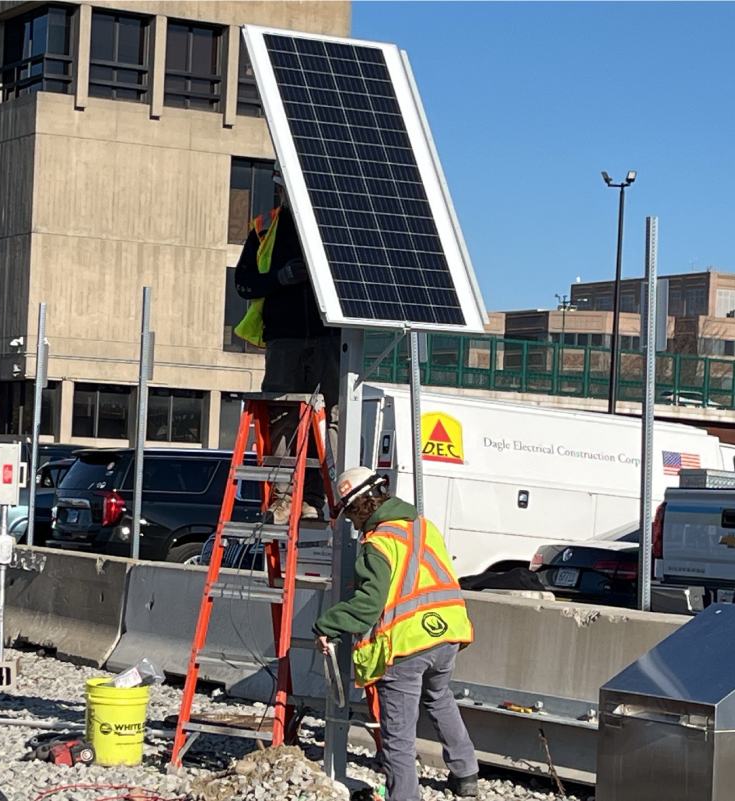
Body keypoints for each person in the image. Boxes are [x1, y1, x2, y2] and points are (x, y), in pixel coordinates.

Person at [313, 467, 479, 801]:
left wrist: (327, 625)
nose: (352, 523)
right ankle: (466, 775)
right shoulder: (423, 527)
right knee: (439, 697)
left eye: (350, 514)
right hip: (447, 633)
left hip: (408, 644)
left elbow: (368, 605)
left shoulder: (379, 543)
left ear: (360, 506)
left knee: (398, 735)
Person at [234, 168, 340, 524]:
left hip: (328, 336)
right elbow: (244, 282)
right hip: (284, 337)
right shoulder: (265, 228)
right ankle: (283, 497)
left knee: (327, 419)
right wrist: (280, 278)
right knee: (282, 417)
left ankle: (314, 497)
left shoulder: (335, 224)